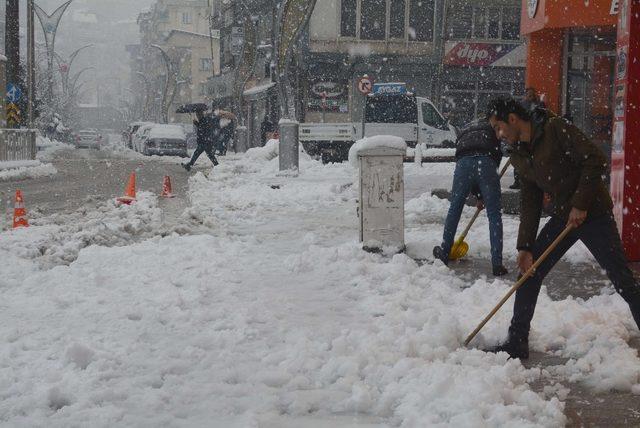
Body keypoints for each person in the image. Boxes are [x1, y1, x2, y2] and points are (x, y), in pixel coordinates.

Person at [484, 97, 640, 359]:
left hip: (594, 213)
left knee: (622, 278)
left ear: (513, 119)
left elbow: (594, 159)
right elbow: (530, 200)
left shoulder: (555, 129)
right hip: (562, 216)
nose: (499, 135)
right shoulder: (520, 154)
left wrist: (581, 204)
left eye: (499, 127)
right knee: (529, 272)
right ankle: (517, 341)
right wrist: (524, 246)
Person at [433, 120, 508, 277]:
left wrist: (479, 195)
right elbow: (497, 155)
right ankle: (497, 264)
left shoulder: (466, 129)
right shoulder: (492, 129)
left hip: (464, 163)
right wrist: (484, 192)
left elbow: (463, 154)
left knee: (455, 208)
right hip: (487, 162)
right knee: (494, 215)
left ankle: (445, 252)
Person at [509, 88, 548, 190]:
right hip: (525, 134)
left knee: (524, 157)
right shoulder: (525, 105)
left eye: (532, 95)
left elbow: (541, 115)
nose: (530, 97)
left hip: (531, 134)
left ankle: (523, 180)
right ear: (526, 95)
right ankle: (519, 180)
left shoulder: (535, 105)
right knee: (520, 157)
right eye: (529, 95)